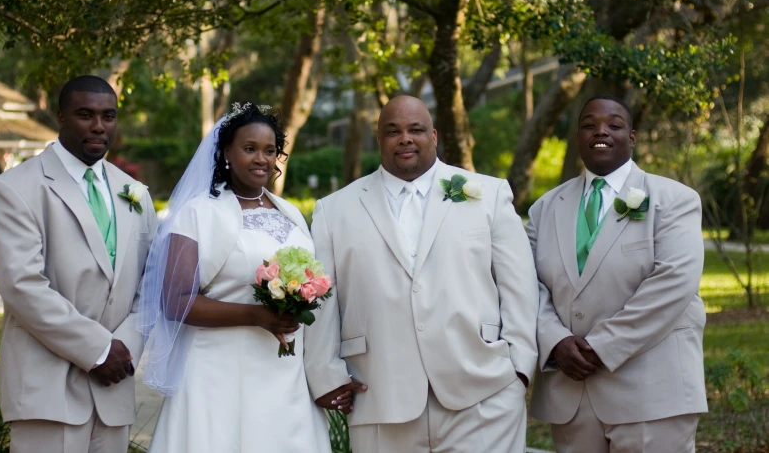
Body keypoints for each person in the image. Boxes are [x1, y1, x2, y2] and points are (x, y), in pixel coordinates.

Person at [303, 95, 538, 452]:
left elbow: (519, 286)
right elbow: (323, 299)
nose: (405, 138)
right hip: (380, 396)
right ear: (379, 138)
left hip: (484, 395)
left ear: (435, 136)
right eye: (392, 131)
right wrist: (326, 375)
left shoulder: (487, 194)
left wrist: (518, 371)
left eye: (416, 129)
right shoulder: (334, 210)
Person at [138, 103, 331, 453]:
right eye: (250, 149)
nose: (261, 159)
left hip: (282, 374)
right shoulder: (198, 213)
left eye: (269, 150)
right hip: (218, 372)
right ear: (227, 152)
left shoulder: (289, 213)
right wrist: (257, 316)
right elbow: (174, 301)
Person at [528, 95, 707, 452]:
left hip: (652, 391)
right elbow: (524, 284)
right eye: (589, 125)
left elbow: (674, 283)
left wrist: (601, 347)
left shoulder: (673, 200)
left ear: (633, 137)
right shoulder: (545, 208)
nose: (601, 131)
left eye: (614, 124)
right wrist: (555, 340)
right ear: (577, 137)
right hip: (572, 394)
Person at [0, 75, 158, 453]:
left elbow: (151, 284)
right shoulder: (16, 188)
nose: (99, 126)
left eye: (109, 116)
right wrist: (98, 350)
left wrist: (124, 348)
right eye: (85, 114)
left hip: (114, 386)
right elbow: (22, 286)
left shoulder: (135, 193)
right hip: (46, 388)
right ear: (60, 116)